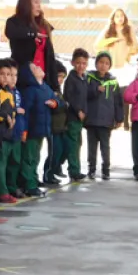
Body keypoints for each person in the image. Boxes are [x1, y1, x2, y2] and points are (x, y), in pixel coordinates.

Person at [5, 0, 59, 91]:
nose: (39, 6)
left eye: (40, 2)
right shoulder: (14, 22)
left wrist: (56, 88)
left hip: (43, 80)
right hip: (23, 79)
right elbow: (11, 33)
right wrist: (33, 34)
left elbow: (50, 57)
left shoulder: (43, 25)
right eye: (35, 2)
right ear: (26, 4)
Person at [22, 64, 64, 196]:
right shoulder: (30, 90)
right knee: (29, 158)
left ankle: (33, 181)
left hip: (42, 128)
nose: (40, 69)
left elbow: (58, 101)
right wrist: (24, 130)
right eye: (35, 69)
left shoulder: (46, 88)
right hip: (32, 129)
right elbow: (26, 112)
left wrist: (55, 103)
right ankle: (29, 184)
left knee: (35, 157)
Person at [86, 52, 123, 180]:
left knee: (105, 146)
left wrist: (119, 118)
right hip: (91, 119)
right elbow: (85, 94)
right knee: (92, 147)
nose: (103, 65)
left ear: (109, 66)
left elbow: (118, 101)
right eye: (101, 62)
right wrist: (96, 90)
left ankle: (105, 169)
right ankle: (91, 169)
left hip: (106, 121)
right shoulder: (89, 78)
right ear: (96, 64)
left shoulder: (113, 82)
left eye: (106, 63)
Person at [0, 59, 17, 205]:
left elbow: (11, 108)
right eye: (2, 74)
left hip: (8, 132)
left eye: (8, 74)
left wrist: (12, 117)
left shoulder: (9, 91)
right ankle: (1, 192)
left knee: (4, 163)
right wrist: (4, 118)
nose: (5, 77)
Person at [63, 49, 90, 182]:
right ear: (73, 62)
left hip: (81, 118)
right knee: (73, 145)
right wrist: (78, 110)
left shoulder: (84, 79)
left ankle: (76, 169)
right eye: (78, 63)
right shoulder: (71, 79)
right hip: (73, 117)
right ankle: (73, 171)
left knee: (78, 143)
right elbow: (69, 97)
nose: (81, 66)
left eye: (84, 63)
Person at [42, 62, 69, 184]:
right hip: (52, 127)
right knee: (54, 151)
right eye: (58, 76)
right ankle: (48, 174)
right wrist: (63, 105)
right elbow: (56, 106)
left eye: (63, 77)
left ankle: (55, 169)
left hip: (61, 126)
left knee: (64, 149)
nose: (61, 79)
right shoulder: (49, 90)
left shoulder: (58, 91)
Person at [6, 63, 27, 199]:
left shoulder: (17, 92)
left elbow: (24, 112)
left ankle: (13, 187)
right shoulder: (3, 92)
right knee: (6, 163)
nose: (13, 78)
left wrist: (24, 130)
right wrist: (15, 110)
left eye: (15, 75)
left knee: (15, 161)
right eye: (10, 75)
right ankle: (5, 189)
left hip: (18, 131)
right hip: (8, 132)